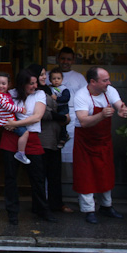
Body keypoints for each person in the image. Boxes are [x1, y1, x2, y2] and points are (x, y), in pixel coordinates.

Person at [73, 66, 127, 224]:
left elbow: (119, 104)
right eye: (105, 80)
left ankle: (106, 206)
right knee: (86, 175)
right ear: (93, 82)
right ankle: (88, 209)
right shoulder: (81, 96)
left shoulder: (109, 91)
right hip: (85, 141)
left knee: (105, 172)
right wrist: (101, 115)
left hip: (103, 140)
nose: (108, 82)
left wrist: (123, 110)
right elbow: (83, 121)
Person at [0, 68, 55, 225]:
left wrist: (15, 123)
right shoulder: (10, 94)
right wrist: (7, 124)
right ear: (22, 84)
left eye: (35, 82)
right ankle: (12, 212)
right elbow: (0, 110)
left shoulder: (40, 94)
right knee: (10, 177)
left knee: (37, 176)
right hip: (11, 137)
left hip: (31, 136)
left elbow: (37, 117)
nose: (35, 86)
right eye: (31, 83)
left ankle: (42, 209)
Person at [28, 64, 73, 214]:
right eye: (40, 74)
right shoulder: (34, 92)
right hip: (42, 137)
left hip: (54, 137)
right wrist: (63, 117)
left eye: (44, 74)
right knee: (40, 174)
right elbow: (44, 113)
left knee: (54, 173)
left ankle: (56, 203)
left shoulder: (49, 89)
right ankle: (41, 206)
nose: (43, 77)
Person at [57, 47, 87, 164]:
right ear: (58, 59)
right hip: (53, 116)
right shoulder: (49, 76)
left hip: (73, 116)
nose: (65, 62)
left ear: (73, 60)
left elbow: (86, 98)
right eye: (63, 59)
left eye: (68, 59)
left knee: (71, 152)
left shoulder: (79, 77)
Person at [0, 72, 30, 164]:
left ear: (9, 84)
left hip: (7, 120)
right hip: (8, 121)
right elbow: (7, 106)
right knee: (25, 133)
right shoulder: (0, 96)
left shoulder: (4, 94)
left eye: (3, 84)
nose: (1, 86)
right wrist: (20, 109)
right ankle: (20, 153)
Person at [49, 67, 70, 148]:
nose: (56, 80)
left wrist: (57, 98)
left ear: (62, 79)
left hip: (63, 107)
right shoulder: (49, 88)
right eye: (54, 78)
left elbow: (66, 98)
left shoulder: (64, 89)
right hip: (54, 108)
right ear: (50, 80)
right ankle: (57, 137)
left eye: (58, 78)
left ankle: (63, 137)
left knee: (62, 121)